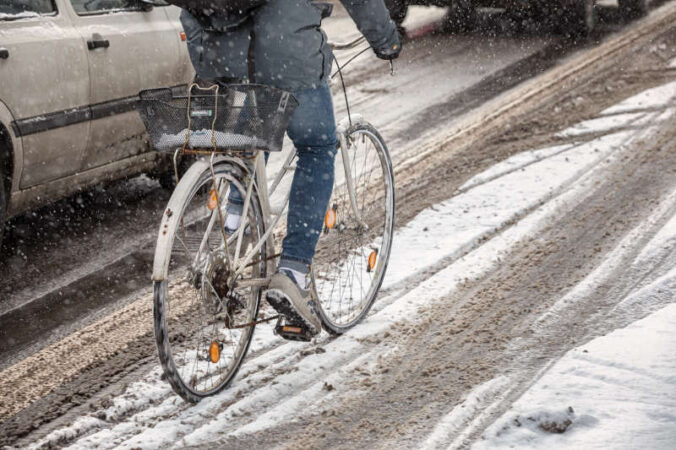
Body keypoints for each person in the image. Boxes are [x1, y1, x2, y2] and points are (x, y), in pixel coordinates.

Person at [180, 0, 401, 337]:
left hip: (222, 55)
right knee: (317, 147)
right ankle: (294, 272)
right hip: (286, 55)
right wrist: (386, 40)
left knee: (253, 135)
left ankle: (230, 233)